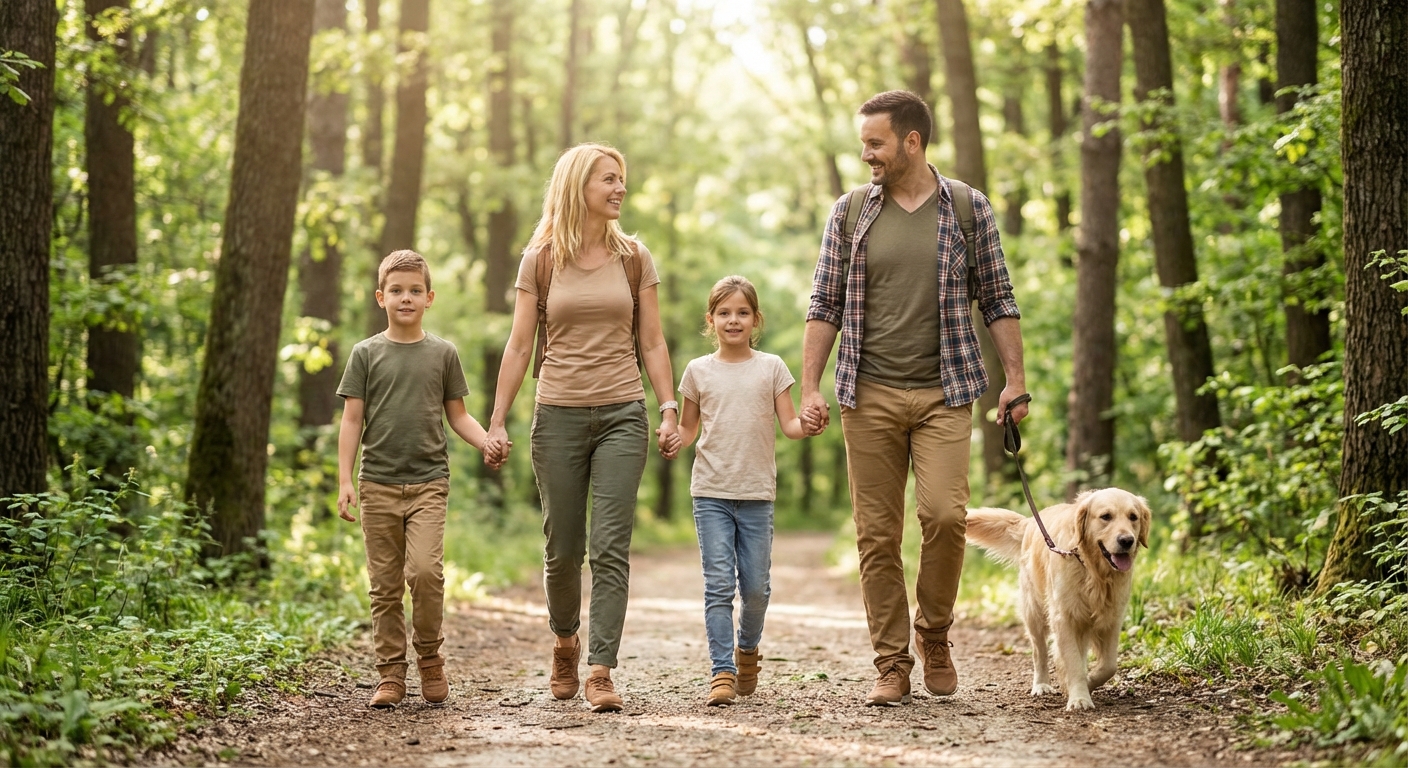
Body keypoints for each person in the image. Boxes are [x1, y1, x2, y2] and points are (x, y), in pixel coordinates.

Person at [799, 90, 1029, 706]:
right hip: (867, 393)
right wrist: (811, 386)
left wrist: (1014, 380)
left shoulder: (967, 208)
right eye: (863, 144)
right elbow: (824, 303)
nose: (866, 155)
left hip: (944, 393)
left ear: (912, 141)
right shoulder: (851, 212)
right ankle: (891, 662)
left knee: (946, 517)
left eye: (875, 143)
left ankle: (934, 633)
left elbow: (998, 297)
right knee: (877, 535)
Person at [483, 143, 682, 713]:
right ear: (578, 187)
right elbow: (519, 345)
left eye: (622, 178)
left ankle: (600, 670)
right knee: (563, 547)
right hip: (558, 416)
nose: (620, 188)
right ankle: (566, 641)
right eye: (609, 179)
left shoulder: (635, 257)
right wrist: (496, 420)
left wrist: (668, 407)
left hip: (622, 414)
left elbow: (652, 342)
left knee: (610, 547)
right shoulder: (541, 260)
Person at [336, 249, 497, 709]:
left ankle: (429, 657)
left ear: (429, 297)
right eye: (396, 290)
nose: (405, 298)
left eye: (414, 290)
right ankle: (390, 673)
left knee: (425, 573)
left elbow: (458, 416)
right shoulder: (365, 354)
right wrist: (345, 480)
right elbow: (352, 420)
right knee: (384, 586)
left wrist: (486, 441)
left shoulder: (443, 353)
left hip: (428, 481)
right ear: (381, 297)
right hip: (377, 484)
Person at [676, 275, 806, 707]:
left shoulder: (772, 368)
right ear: (710, 320)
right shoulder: (698, 371)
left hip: (756, 494)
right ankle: (722, 672)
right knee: (718, 586)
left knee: (755, 589)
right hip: (710, 491)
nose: (734, 320)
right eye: (724, 313)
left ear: (756, 319)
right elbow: (688, 429)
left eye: (742, 312)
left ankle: (747, 649)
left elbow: (790, 425)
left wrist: (809, 423)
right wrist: (673, 437)